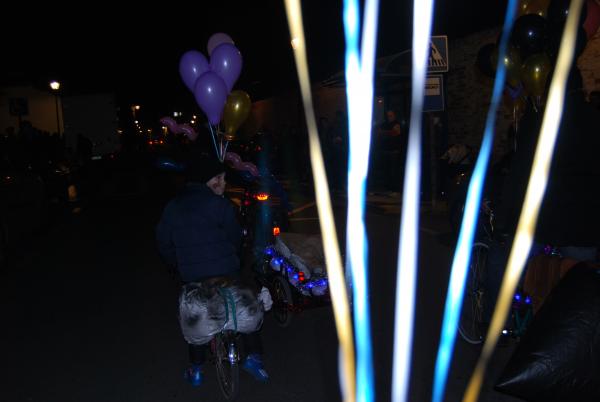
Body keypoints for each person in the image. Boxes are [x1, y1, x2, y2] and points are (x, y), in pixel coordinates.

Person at [156, 151, 271, 386]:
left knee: (194, 318)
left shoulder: (172, 207)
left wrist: (173, 263)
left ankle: (196, 370)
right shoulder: (220, 204)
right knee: (246, 307)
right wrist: (235, 256)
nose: (224, 183)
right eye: (221, 178)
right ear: (209, 180)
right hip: (226, 271)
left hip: (192, 275)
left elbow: (163, 242)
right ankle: (254, 358)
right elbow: (235, 237)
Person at [377, 110, 404, 194]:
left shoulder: (397, 124)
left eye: (391, 116)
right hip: (386, 150)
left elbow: (395, 133)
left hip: (393, 151)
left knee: (393, 171)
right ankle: (388, 188)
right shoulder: (385, 124)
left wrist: (385, 133)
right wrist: (389, 132)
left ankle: (394, 188)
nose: (389, 117)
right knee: (387, 170)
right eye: (388, 116)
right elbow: (379, 133)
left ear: (394, 116)